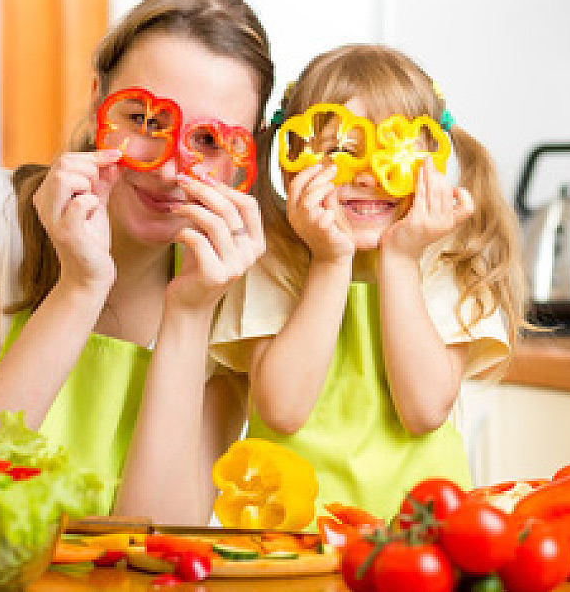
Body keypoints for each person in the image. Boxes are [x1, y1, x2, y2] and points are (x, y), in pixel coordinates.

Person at [0, 0, 274, 524]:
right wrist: (79, 289)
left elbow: (157, 543)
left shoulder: (227, 280)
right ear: (98, 103)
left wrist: (189, 314)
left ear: (246, 152)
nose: (167, 171)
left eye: (208, 141)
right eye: (143, 120)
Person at [211, 44, 527, 521]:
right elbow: (283, 410)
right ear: (293, 159)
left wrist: (400, 260)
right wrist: (329, 261)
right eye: (340, 150)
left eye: (393, 149)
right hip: (293, 533)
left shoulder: (448, 258)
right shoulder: (269, 257)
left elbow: (423, 412)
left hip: (421, 534)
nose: (368, 175)